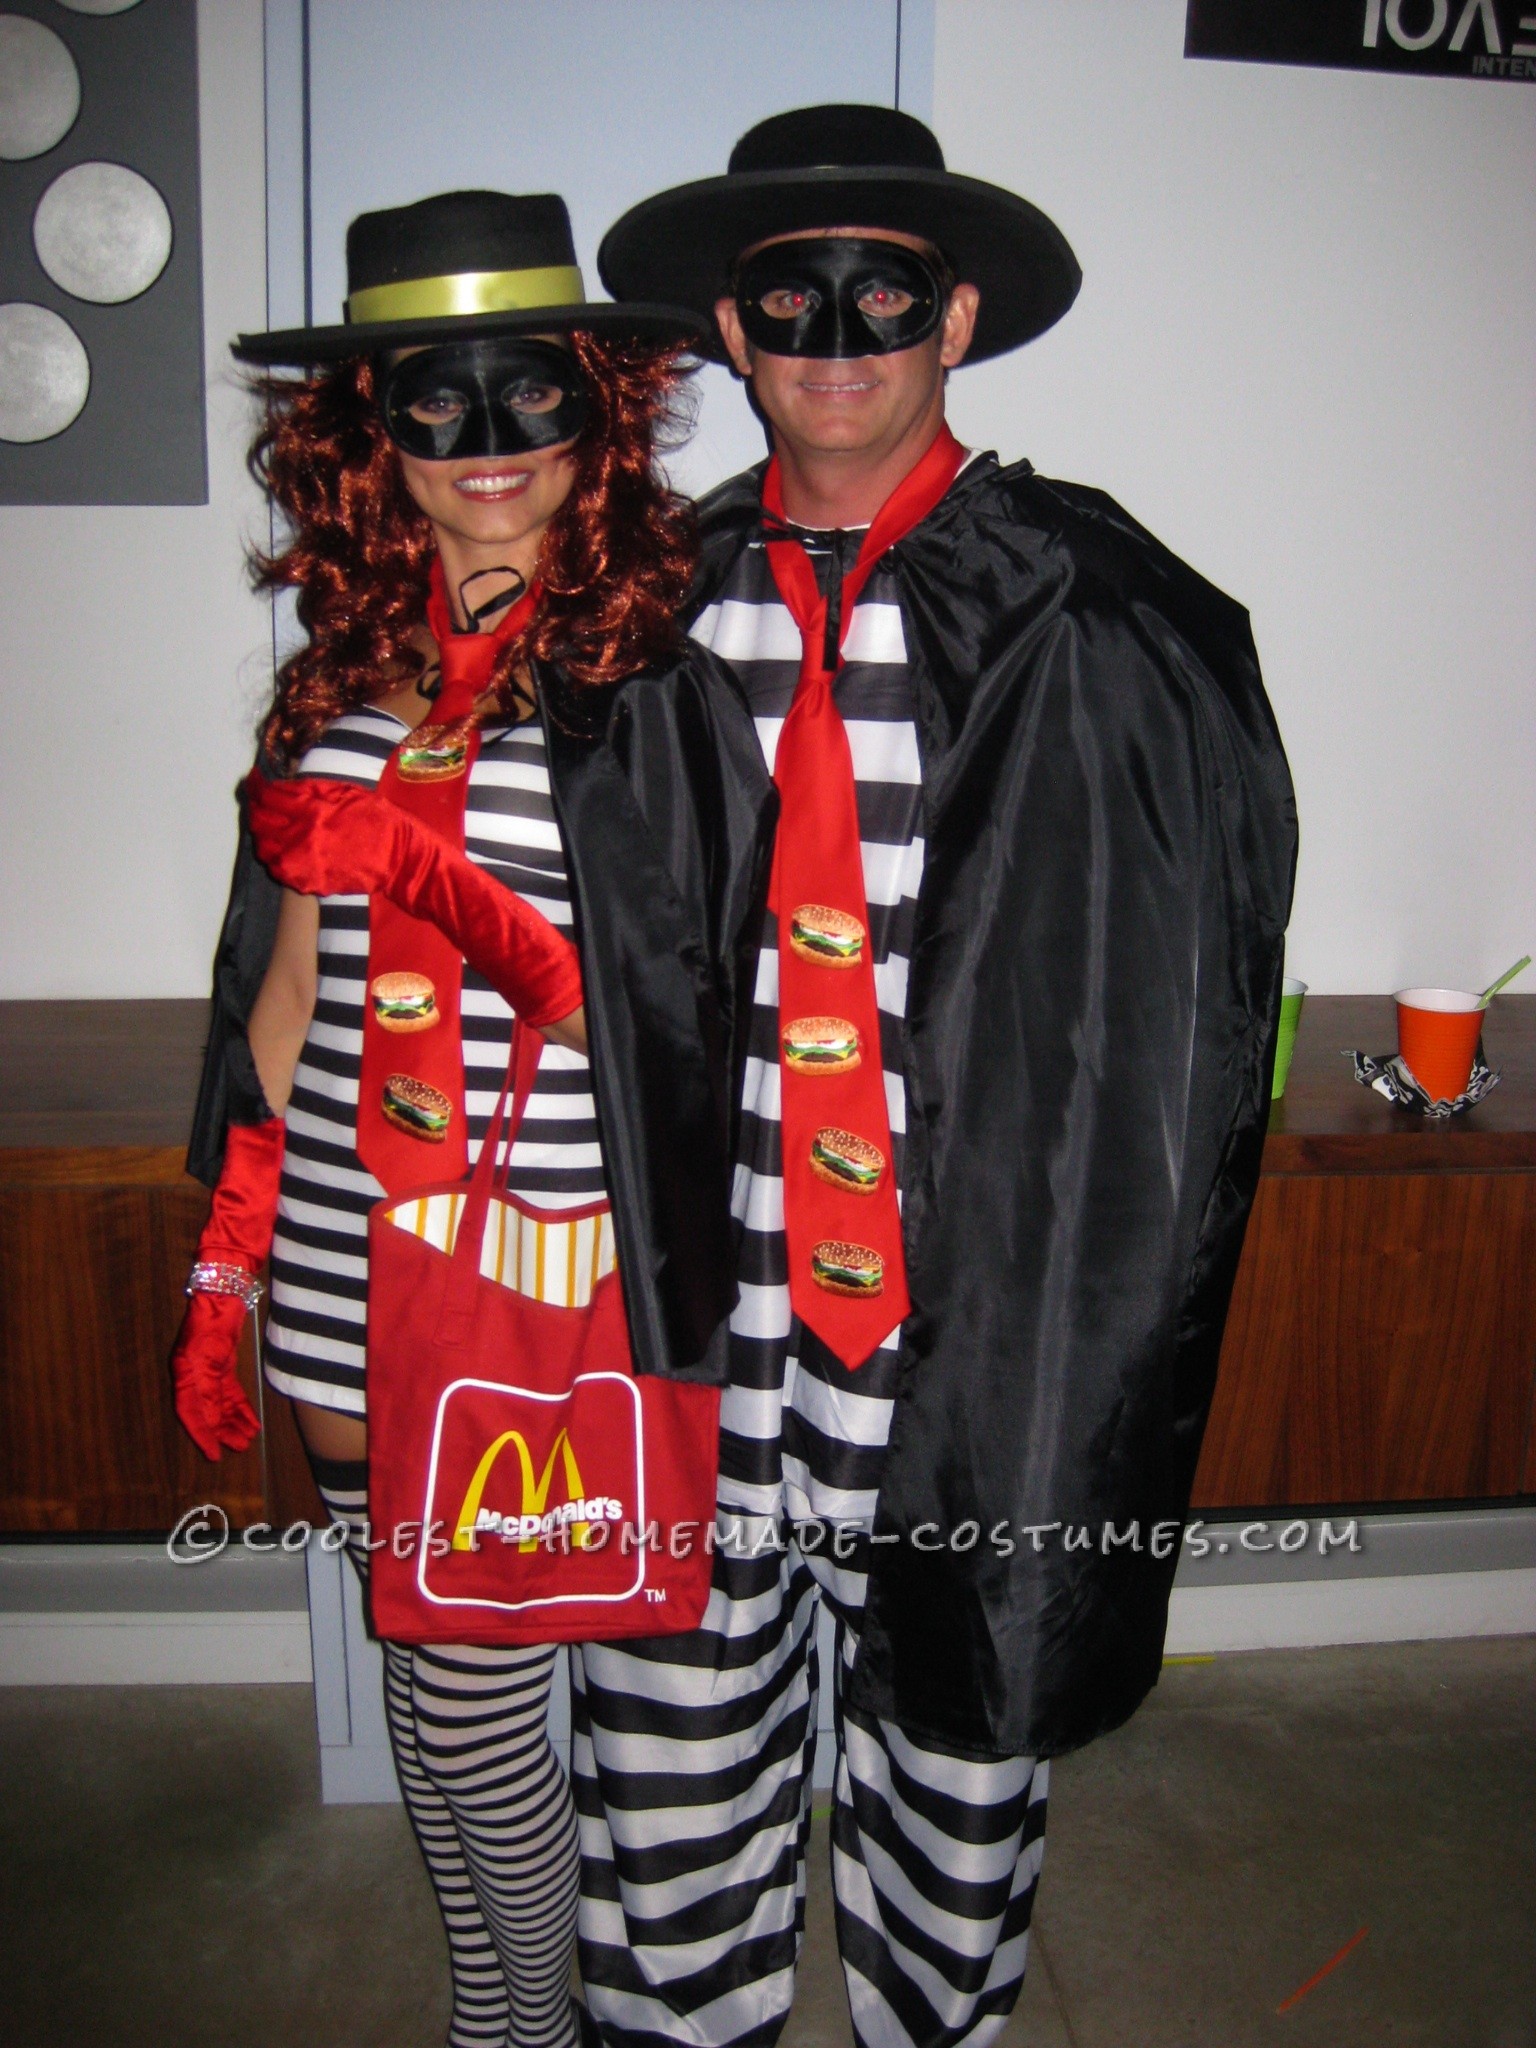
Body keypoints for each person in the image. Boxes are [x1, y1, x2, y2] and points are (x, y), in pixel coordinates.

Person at [565, 104, 1298, 2048]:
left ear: (955, 315)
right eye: (785, 292)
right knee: (666, 1772)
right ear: (730, 329)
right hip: (696, 1315)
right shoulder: (638, 612)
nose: (833, 329)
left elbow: (1179, 1023)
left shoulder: (1104, 612)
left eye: (880, 286)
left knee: (955, 1783)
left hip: (962, 1324)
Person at [171, 189, 775, 2048]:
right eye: (438, 404)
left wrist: (448, 895)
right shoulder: (329, 691)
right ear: (369, 443)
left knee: (618, 1685)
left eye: (533, 399)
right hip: (357, 1266)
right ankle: (504, 2015)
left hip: (563, 1269)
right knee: (448, 1696)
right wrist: (234, 1258)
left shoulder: (655, 692)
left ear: (597, 417)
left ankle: (592, 2008)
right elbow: (282, 1001)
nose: (490, 450)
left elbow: (689, 1020)